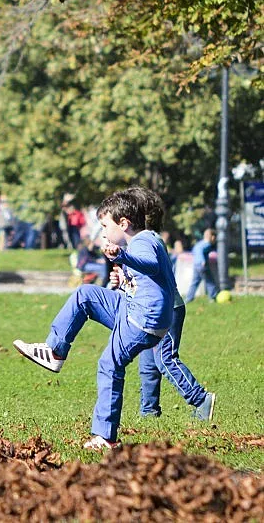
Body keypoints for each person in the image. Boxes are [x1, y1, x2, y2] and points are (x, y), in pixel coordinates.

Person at [13, 189, 175, 450]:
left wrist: (122, 257)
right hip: (135, 308)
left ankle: (105, 437)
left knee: (109, 365)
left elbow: (152, 265)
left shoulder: (143, 241)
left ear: (124, 224)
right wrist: (122, 281)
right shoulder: (143, 240)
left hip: (142, 318)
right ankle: (54, 350)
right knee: (85, 294)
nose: (102, 232)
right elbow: (149, 280)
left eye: (104, 226)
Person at [118, 187, 216, 422]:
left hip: (167, 309)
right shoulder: (139, 243)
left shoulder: (148, 241)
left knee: (164, 358)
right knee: (148, 364)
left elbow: (151, 270)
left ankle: (200, 398)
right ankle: (149, 411)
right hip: (153, 310)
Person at [184, 229, 218, 302]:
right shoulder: (207, 244)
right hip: (202, 265)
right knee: (210, 281)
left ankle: (188, 298)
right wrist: (202, 260)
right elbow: (200, 251)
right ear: (212, 237)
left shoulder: (199, 243)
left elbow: (194, 251)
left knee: (195, 282)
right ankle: (212, 297)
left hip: (196, 265)